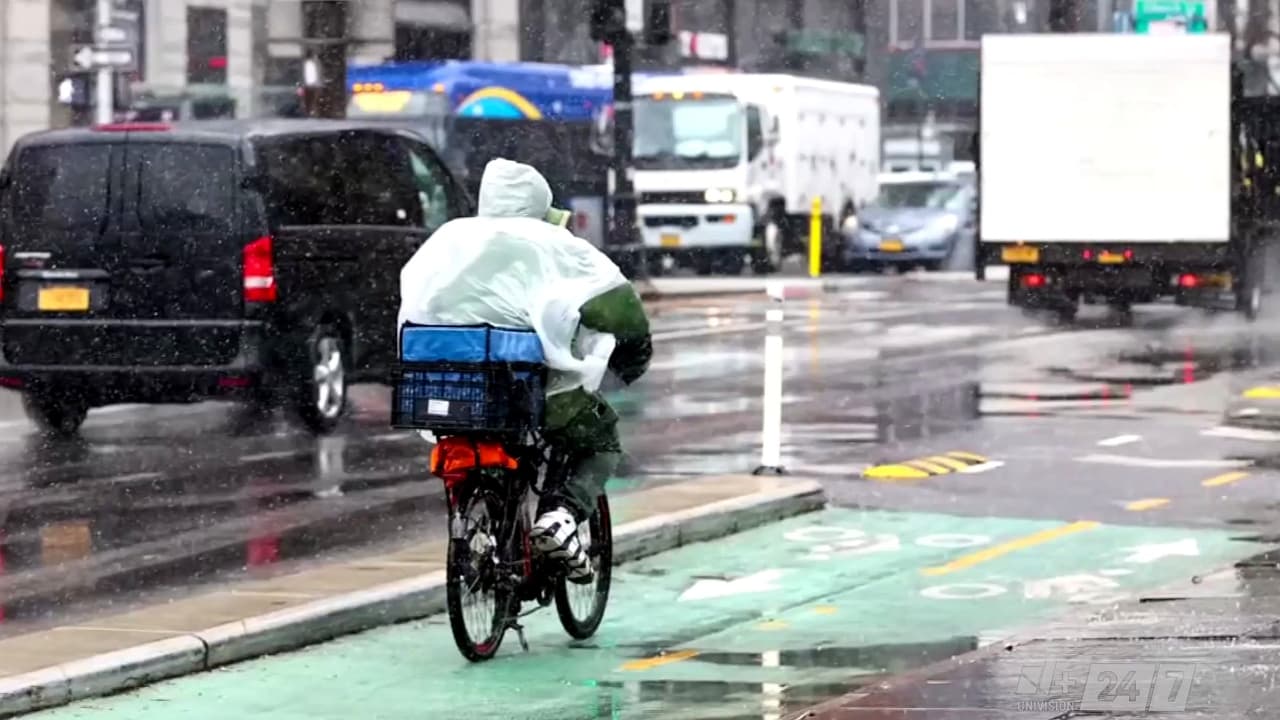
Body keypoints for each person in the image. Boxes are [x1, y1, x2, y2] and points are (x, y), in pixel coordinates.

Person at [398, 158, 652, 583]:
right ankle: (561, 514)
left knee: (485, 435)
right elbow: (618, 308)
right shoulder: (555, 243)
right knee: (598, 438)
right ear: (541, 203)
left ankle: (481, 533)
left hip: (447, 387)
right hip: (523, 387)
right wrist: (633, 356)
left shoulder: (449, 239)